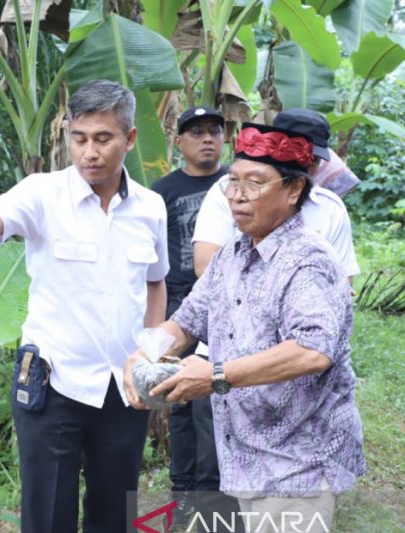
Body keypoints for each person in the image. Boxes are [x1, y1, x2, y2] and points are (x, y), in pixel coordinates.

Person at [0, 80, 169, 533]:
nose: (90, 152)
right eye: (79, 138)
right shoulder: (43, 193)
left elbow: (155, 282)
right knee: (47, 517)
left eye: (103, 139)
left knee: (114, 514)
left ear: (130, 138)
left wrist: (150, 355)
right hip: (53, 384)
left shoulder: (151, 208)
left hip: (123, 388)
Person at [124, 123, 366, 533]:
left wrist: (216, 375)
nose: (237, 194)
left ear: (293, 191)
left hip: (298, 462)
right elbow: (186, 322)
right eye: (232, 182)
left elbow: (312, 351)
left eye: (255, 184)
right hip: (246, 454)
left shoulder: (309, 262)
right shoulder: (231, 256)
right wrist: (145, 351)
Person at [150, 106, 229, 525]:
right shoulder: (162, 191)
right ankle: (183, 491)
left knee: (222, 394)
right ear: (178, 141)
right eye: (196, 132)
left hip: (229, 302)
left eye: (214, 131)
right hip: (180, 302)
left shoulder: (239, 183)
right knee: (180, 399)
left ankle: (216, 490)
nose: (207, 139)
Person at [192, 110, 359, 282]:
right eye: (293, 154)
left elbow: (342, 280)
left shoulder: (330, 207)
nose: (303, 164)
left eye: (312, 160)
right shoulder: (228, 191)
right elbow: (206, 268)